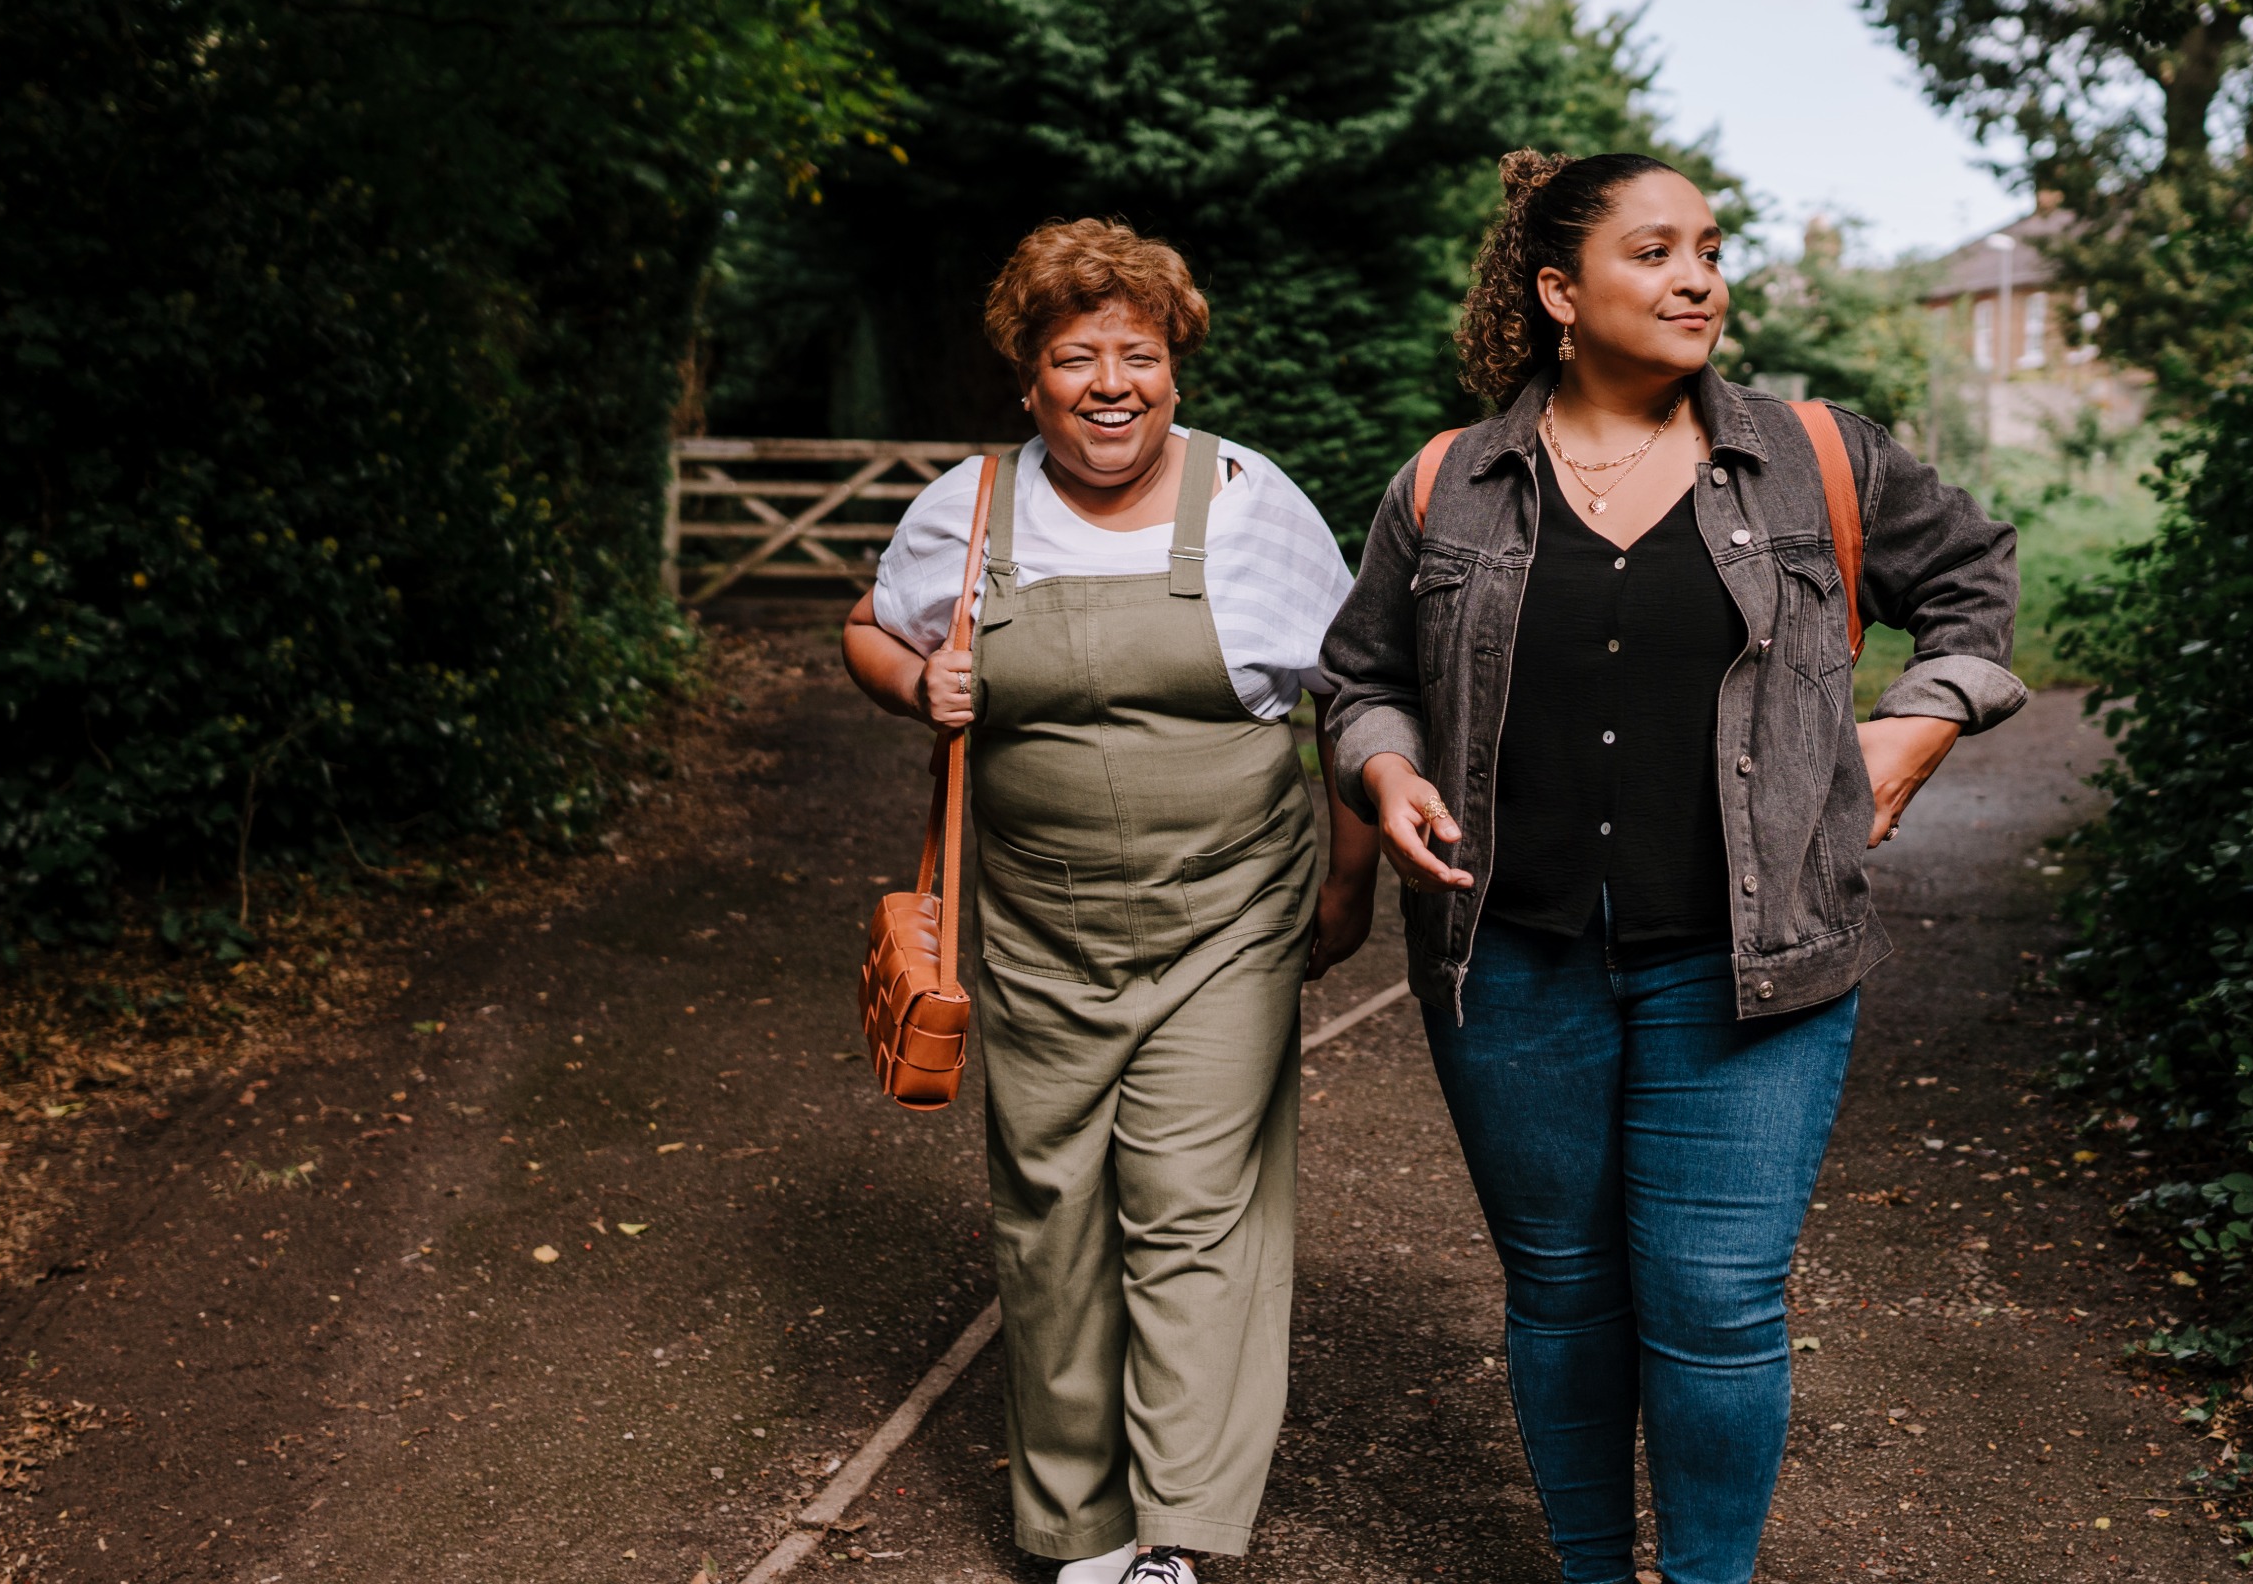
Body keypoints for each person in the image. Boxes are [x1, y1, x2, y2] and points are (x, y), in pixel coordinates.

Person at [1317, 151, 2024, 1584]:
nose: (1698, 277)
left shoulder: (1815, 455)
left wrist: (1914, 730)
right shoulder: (1449, 483)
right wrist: (1385, 770)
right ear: (1559, 292)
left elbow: (1973, 580)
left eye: (1708, 247)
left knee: (1715, 1303)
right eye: (1654, 253)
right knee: (1565, 1295)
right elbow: (1363, 677)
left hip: (1754, 966)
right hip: (1510, 963)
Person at [844, 219, 1375, 1584]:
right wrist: (914, 682)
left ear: (1175, 370)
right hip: (1035, 926)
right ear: (1029, 380)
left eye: (1137, 354)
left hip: (1227, 914)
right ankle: (1082, 1523)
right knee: (1052, 1211)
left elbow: (1355, 690)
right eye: (1075, 357)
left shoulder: (1254, 503)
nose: (1109, 384)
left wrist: (1348, 873)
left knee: (1192, 1204)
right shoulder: (967, 509)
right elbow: (869, 628)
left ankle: (1177, 1529)